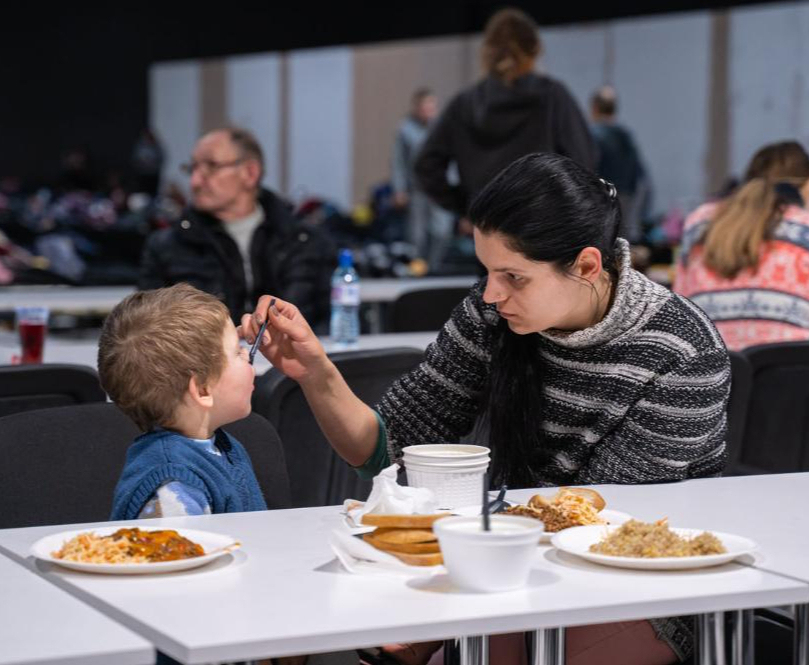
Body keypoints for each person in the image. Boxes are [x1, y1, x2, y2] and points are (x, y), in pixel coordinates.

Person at [242, 152, 730, 664]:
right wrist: (316, 372)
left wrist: (451, 576)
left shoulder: (682, 349)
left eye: (514, 277)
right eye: (487, 271)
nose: (493, 293)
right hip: (512, 557)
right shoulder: (492, 314)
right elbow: (384, 450)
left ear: (586, 265)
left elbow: (600, 526)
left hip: (644, 581)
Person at [99, 283, 267, 521]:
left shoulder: (220, 445)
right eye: (237, 352)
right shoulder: (174, 485)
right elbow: (178, 556)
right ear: (202, 389)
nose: (249, 357)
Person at [138, 127, 335, 328]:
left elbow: (334, 324)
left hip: (294, 358)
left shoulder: (307, 242)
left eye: (211, 166)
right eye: (193, 168)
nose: (195, 181)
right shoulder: (165, 246)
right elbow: (148, 330)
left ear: (250, 173)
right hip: (207, 359)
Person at [414, 8, 597, 219]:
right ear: (535, 49)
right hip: (542, 224)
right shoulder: (552, 97)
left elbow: (425, 166)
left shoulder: (463, 104)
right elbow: (584, 161)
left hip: (488, 225)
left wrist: (467, 206)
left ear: (486, 53)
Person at [674, 140, 809, 351]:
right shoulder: (804, 224)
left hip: (713, 371)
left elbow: (681, 306)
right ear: (805, 186)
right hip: (790, 370)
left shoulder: (698, 222)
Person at [391, 88, 455, 271]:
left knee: (442, 230)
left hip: (440, 188)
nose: (430, 111)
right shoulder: (405, 129)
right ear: (417, 108)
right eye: (425, 107)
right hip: (417, 189)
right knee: (416, 235)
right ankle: (418, 269)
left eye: (432, 107)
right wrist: (399, 189)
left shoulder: (443, 128)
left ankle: (434, 267)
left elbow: (452, 157)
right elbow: (398, 162)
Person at [590, 86, 647, 244]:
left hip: (599, 198)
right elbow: (640, 173)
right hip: (625, 199)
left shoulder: (592, 133)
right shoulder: (626, 135)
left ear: (594, 107)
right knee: (621, 246)